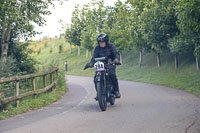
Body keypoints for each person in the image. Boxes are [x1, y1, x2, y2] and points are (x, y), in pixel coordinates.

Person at [84, 33, 121, 98]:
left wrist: (116, 60)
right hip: (100, 65)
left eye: (103, 42)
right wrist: (91, 63)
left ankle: (116, 91)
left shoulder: (111, 46)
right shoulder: (97, 48)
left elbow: (116, 53)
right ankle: (99, 93)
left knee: (112, 75)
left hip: (110, 64)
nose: (102, 43)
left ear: (106, 42)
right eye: (100, 42)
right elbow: (94, 57)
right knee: (96, 77)